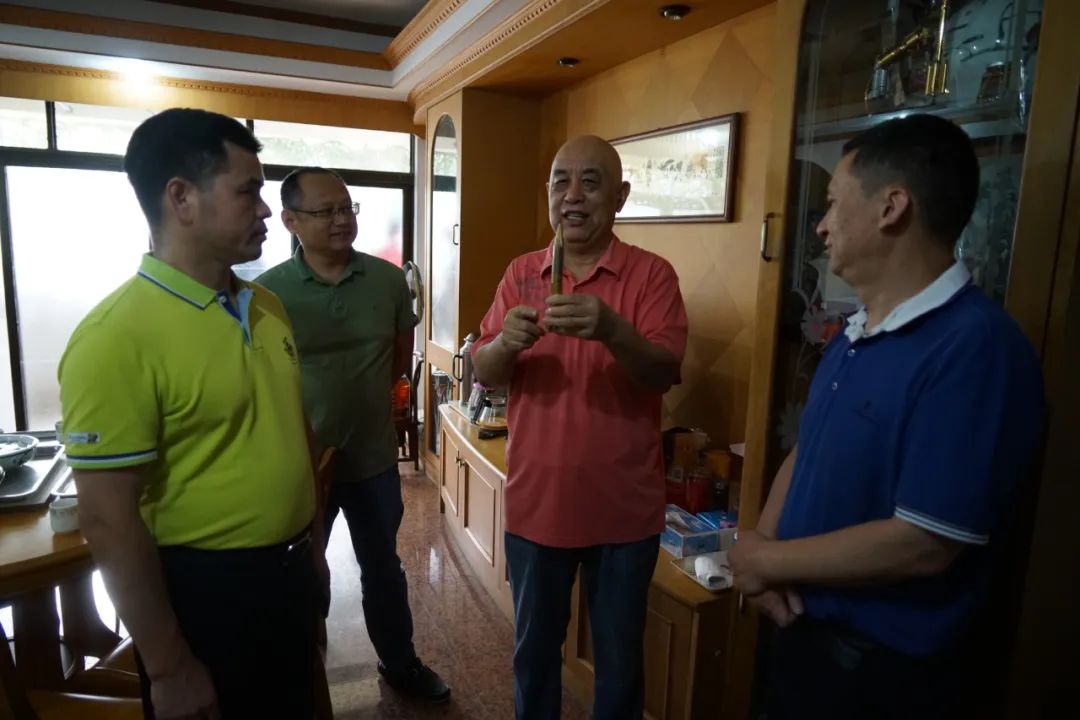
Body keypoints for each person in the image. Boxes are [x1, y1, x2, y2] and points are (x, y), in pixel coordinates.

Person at [728, 114, 1045, 719]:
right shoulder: (856, 332)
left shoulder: (974, 347)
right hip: (803, 634)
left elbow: (924, 541)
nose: (820, 226)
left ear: (891, 207)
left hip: (877, 672)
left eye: (831, 203)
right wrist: (762, 551)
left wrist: (763, 560)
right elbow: (807, 450)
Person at [58, 108, 327, 720]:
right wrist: (169, 666)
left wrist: (312, 554)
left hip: (288, 576)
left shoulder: (266, 305)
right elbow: (106, 517)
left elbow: (295, 431)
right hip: (204, 597)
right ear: (181, 198)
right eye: (248, 191)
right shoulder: (114, 337)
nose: (266, 210)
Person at [472, 135, 688, 719]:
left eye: (590, 183)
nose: (572, 196)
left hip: (624, 511)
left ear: (619, 197)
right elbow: (484, 371)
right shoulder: (523, 273)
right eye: (560, 182)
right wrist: (506, 345)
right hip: (537, 504)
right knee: (534, 656)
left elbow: (664, 373)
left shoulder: (652, 275)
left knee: (619, 664)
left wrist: (613, 330)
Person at [256, 167, 449, 702]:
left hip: (372, 459)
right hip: (298, 465)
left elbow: (398, 359)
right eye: (326, 211)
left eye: (347, 208)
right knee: (302, 576)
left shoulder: (387, 281)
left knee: (383, 568)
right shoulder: (267, 293)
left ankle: (400, 663)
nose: (342, 220)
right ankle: (302, 677)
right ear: (291, 221)